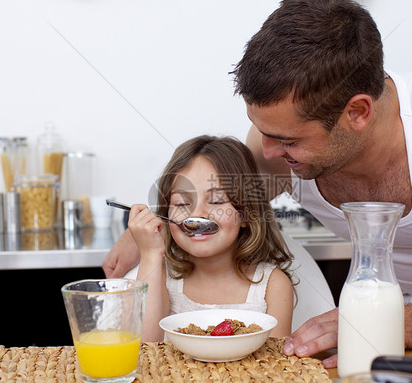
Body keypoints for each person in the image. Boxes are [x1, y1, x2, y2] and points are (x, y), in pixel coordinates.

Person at [104, 0, 412, 365]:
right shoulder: (274, 143)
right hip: (371, 329)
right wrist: (153, 223)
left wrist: (407, 321)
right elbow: (212, 194)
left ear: (357, 112)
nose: (267, 154)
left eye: (287, 141)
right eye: (263, 132)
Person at [125, 135, 295, 341]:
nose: (197, 213)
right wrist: (150, 253)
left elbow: (275, 365)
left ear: (245, 214)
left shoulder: (272, 285)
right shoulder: (161, 277)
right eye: (181, 203)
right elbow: (143, 351)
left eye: (216, 201)